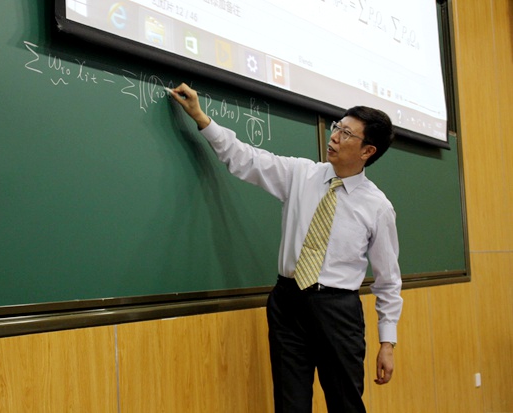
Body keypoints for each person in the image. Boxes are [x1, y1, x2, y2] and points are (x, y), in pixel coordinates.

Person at [167, 83, 402, 413]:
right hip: (288, 302)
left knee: (345, 403)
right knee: (290, 404)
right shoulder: (301, 174)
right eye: (337, 127)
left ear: (368, 151)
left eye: (347, 134)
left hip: (337, 310)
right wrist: (201, 118)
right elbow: (244, 158)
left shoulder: (377, 207)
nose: (335, 137)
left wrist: (387, 342)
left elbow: (388, 280)